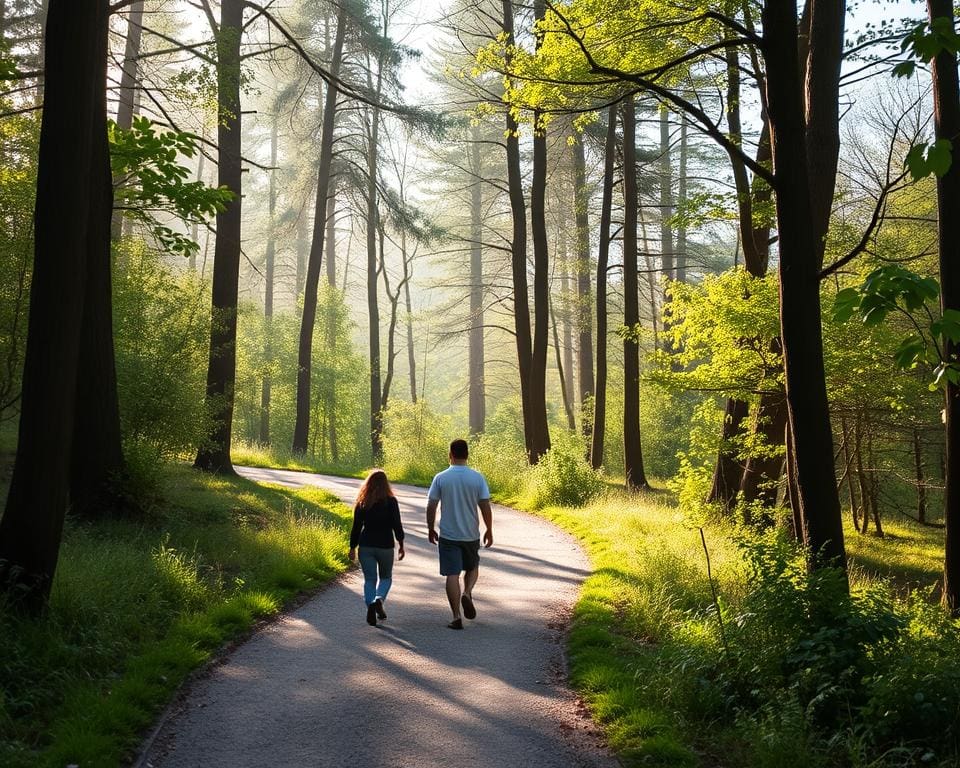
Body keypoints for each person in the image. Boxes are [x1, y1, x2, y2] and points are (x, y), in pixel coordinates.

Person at [426, 438, 493, 630]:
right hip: (470, 534)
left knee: (452, 575)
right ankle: (468, 592)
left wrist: (430, 528)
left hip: (448, 535)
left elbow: (432, 504)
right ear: (467, 455)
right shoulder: (477, 478)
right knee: (472, 567)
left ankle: (456, 617)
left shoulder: (441, 477)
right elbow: (485, 506)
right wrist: (489, 529)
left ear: (450, 454)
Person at [349, 469, 405, 627]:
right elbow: (397, 524)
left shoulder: (362, 502)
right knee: (386, 577)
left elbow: (356, 527)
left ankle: (371, 605)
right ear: (386, 484)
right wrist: (401, 544)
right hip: (386, 546)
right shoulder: (391, 501)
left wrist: (352, 547)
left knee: (370, 580)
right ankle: (379, 599)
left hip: (366, 545)